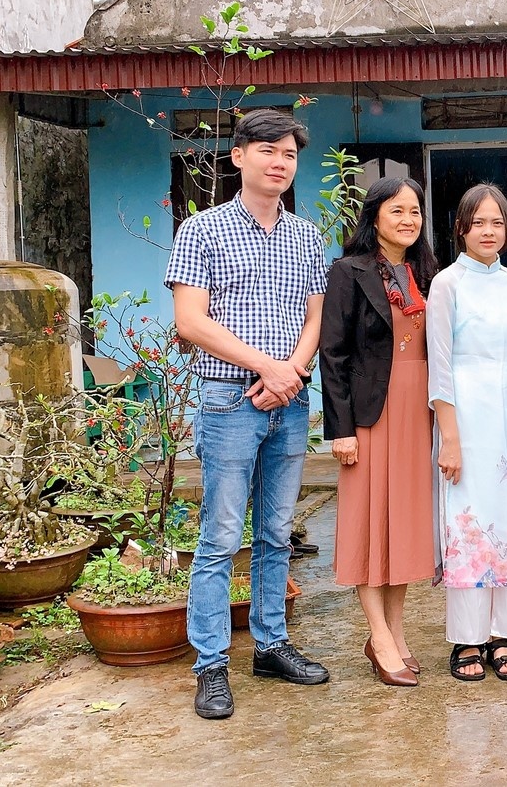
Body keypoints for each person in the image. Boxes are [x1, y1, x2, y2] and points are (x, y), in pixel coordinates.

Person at [164, 109, 330, 720]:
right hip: (229, 400)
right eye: (267, 150)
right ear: (238, 157)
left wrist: (291, 374)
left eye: (288, 154)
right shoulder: (202, 231)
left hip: (288, 404)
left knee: (275, 534)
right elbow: (191, 322)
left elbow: (315, 318)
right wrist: (268, 367)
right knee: (219, 538)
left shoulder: (306, 236)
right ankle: (210, 664)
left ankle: (271, 645)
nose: (279, 162)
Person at [428, 184, 507, 683]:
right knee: (469, 520)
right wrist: (450, 436)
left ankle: (506, 635)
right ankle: (468, 638)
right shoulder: (446, 284)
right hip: (464, 413)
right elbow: (438, 365)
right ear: (461, 228)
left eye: (497, 222)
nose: (488, 231)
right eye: (478, 222)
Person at [319, 176, 439, 688]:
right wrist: (339, 429)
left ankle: (396, 631)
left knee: (404, 525)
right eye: (397, 211)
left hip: (419, 412)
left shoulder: (427, 274)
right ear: (374, 217)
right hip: (370, 412)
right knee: (370, 523)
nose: (408, 220)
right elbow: (334, 354)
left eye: (415, 211)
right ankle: (378, 635)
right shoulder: (348, 271)